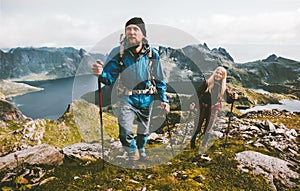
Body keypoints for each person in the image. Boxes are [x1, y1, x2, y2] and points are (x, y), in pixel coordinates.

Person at [92, 17, 170, 166]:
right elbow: (109, 78)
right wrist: (101, 73)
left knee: (143, 130)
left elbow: (159, 79)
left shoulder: (152, 54)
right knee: (125, 130)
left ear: (143, 35)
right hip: (126, 98)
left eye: (136, 29)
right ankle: (132, 153)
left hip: (147, 98)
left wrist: (164, 100)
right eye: (128, 29)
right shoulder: (118, 53)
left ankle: (142, 150)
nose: (131, 32)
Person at [189, 66, 237, 149]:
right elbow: (197, 93)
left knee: (208, 128)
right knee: (198, 126)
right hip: (202, 107)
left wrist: (233, 97)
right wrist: (192, 102)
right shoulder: (207, 83)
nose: (218, 75)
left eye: (220, 74)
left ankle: (204, 145)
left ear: (223, 76)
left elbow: (228, 100)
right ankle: (192, 142)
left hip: (213, 109)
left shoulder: (223, 87)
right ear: (214, 73)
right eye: (217, 73)